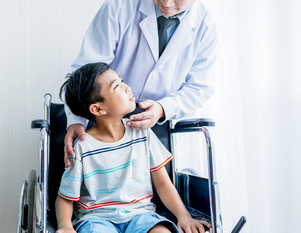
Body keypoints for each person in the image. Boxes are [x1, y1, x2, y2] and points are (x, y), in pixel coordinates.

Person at [56, 62, 211, 233]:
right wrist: (65, 226)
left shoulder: (142, 133)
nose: (127, 87)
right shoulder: (82, 147)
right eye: (117, 86)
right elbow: (65, 197)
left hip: (141, 216)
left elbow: (163, 183)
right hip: (97, 219)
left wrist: (184, 216)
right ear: (98, 109)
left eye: (122, 81)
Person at [64, 0, 217, 168]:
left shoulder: (205, 25)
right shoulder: (119, 6)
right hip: (104, 117)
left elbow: (199, 87)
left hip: (157, 123)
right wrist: (76, 120)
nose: (166, 2)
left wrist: (163, 108)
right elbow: (86, 72)